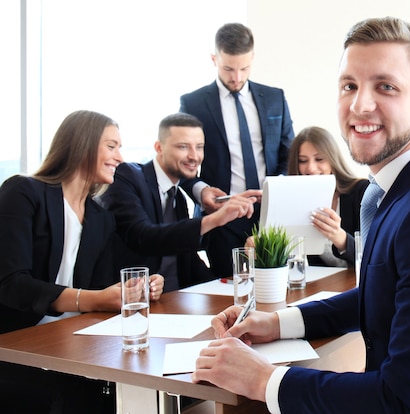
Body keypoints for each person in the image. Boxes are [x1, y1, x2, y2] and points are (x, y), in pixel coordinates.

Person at [192, 17, 410, 414]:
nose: (359, 105)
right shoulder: (399, 188)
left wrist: (262, 380)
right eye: (349, 86)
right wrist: (277, 323)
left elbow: (401, 405)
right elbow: (382, 293)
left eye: (385, 86)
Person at [0, 110, 164, 414]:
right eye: (112, 146)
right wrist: (92, 298)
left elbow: (100, 290)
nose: (120, 157)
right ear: (83, 144)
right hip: (14, 343)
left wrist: (132, 289)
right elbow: (11, 283)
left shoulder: (100, 218)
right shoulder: (23, 192)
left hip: (68, 343)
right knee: (78, 393)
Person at [179, 22, 294, 277]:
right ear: (214, 59)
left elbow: (290, 154)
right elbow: (179, 162)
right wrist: (201, 190)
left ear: (253, 58)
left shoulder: (275, 97)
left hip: (271, 214)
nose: (237, 77)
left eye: (244, 68)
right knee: (229, 292)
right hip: (222, 217)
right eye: (228, 68)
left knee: (278, 290)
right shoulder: (193, 103)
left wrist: (279, 188)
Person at [97, 112, 258, 292]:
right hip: (128, 301)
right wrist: (216, 218)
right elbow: (142, 236)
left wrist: (234, 289)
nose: (194, 156)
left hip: (174, 301)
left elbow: (188, 260)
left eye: (199, 147)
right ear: (159, 147)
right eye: (183, 147)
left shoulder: (179, 197)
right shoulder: (127, 176)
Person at [287, 126, 368, 267]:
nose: (311, 168)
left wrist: (340, 237)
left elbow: (375, 256)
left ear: (332, 159)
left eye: (319, 159)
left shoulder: (361, 191)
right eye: (302, 161)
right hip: (325, 284)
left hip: (358, 283)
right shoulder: (297, 201)